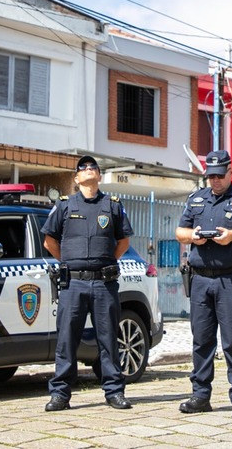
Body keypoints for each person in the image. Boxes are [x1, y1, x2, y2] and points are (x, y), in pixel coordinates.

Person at [175, 149, 232, 420]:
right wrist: (193, 236)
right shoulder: (196, 199)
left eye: (219, 175)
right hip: (201, 279)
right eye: (210, 176)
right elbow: (180, 231)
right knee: (201, 339)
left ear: (230, 172)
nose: (214, 181)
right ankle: (200, 395)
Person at [42, 155, 134, 412]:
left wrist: (106, 261)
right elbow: (49, 241)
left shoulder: (112, 205)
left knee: (108, 339)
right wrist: (69, 262)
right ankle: (60, 394)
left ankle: (114, 392)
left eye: (93, 167)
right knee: (67, 340)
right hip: (73, 284)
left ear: (100, 176)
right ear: (76, 178)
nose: (88, 169)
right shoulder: (64, 205)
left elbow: (123, 241)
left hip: (104, 284)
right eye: (83, 167)